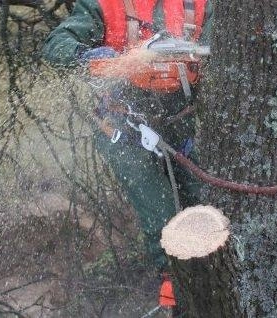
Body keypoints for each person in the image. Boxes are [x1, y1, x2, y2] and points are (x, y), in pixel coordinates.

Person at [42, 0, 213, 271]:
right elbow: (56, 44)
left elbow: (224, 48)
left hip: (184, 127)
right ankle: (174, 292)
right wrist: (85, 55)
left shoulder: (202, 5)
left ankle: (216, 289)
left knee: (207, 212)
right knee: (165, 222)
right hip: (125, 130)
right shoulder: (105, 4)